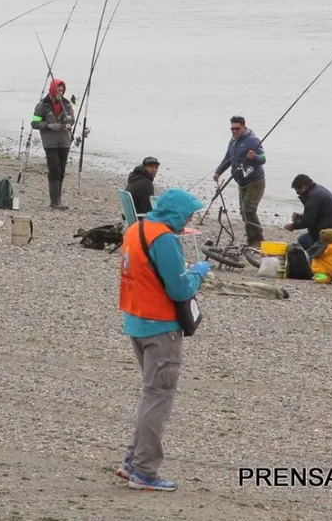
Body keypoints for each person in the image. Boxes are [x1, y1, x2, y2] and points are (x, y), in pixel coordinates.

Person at [117, 188, 211, 492]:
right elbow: (180, 290)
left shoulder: (135, 229)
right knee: (158, 396)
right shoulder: (164, 238)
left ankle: (134, 461)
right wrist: (198, 272)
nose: (189, 220)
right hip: (160, 326)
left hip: (136, 320)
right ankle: (145, 471)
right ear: (177, 213)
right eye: (188, 214)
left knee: (150, 393)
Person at [213, 116, 267, 247]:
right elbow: (227, 159)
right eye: (232, 129)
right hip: (241, 181)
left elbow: (264, 158)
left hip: (255, 181)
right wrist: (218, 172)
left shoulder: (253, 140)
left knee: (249, 209)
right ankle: (251, 238)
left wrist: (255, 157)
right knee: (243, 211)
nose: (234, 131)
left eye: (237, 128)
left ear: (244, 127)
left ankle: (258, 238)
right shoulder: (233, 142)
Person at [32, 79, 77, 210]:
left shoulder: (67, 104)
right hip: (50, 142)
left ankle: (58, 200)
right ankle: (54, 201)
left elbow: (72, 120)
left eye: (62, 91)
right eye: (58, 90)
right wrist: (50, 126)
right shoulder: (42, 106)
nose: (60, 93)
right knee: (54, 169)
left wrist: (69, 121)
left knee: (61, 170)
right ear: (52, 90)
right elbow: (35, 123)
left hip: (65, 141)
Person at [285, 174, 332, 253]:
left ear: (303, 187)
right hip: (323, 230)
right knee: (302, 240)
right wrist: (301, 216)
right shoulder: (317, 190)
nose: (298, 194)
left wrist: (293, 226)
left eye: (298, 192)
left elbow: (308, 221)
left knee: (311, 256)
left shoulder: (314, 196)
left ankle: (317, 258)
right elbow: (317, 214)